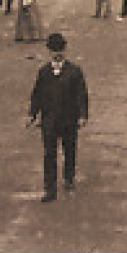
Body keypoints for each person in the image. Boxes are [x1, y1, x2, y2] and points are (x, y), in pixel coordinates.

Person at [29, 32, 89, 202]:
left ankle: (69, 178)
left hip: (69, 119)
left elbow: (81, 95)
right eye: (54, 51)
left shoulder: (74, 71)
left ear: (65, 50)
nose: (57, 53)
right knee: (49, 154)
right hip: (49, 121)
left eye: (60, 50)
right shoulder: (44, 72)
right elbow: (37, 95)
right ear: (49, 52)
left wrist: (83, 115)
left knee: (69, 150)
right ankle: (50, 189)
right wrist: (32, 114)